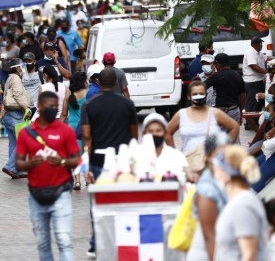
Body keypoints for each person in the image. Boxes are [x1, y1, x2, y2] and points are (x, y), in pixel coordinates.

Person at [15, 91, 80, 261]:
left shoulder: (65, 131)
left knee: (64, 240)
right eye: (49, 106)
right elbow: (18, 164)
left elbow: (77, 160)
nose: (53, 109)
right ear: (39, 106)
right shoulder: (26, 133)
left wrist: (63, 162)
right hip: (36, 195)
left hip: (61, 192)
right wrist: (30, 164)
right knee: (43, 243)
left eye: (55, 106)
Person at [80, 68, 138, 258]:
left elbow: (87, 138)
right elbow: (134, 136)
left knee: (97, 203)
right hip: (122, 162)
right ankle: (124, 241)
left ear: (98, 83)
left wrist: (85, 166)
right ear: (114, 83)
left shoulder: (88, 105)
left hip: (97, 161)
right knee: (123, 202)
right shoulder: (127, 104)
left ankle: (96, 244)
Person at [213, 145, 269, 260]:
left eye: (216, 168)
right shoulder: (236, 200)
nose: (213, 173)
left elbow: (249, 255)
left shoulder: (243, 206)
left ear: (227, 172)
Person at [186, 134, 231, 261]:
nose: (225, 158)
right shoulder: (207, 189)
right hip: (209, 253)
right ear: (209, 156)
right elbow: (209, 236)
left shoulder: (226, 179)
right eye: (220, 153)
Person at [166, 81, 239, 152]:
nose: (198, 96)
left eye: (201, 93)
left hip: (211, 161)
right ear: (189, 96)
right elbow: (167, 133)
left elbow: (234, 127)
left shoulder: (215, 113)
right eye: (195, 94)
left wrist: (223, 150)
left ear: (206, 95)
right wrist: (174, 155)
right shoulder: (181, 114)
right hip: (189, 160)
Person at [1, 58, 31, 179]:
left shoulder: (9, 78)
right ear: (18, 68)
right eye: (22, 67)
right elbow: (17, 94)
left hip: (9, 116)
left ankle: (15, 170)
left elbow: (5, 97)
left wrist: (2, 114)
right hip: (15, 116)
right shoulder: (16, 78)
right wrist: (26, 108)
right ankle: (10, 166)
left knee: (14, 143)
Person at [142, 113, 189, 183]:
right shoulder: (136, 155)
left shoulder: (176, 156)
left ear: (165, 133)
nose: (154, 134)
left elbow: (183, 180)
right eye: (151, 131)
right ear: (144, 133)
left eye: (158, 131)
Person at [204, 53, 245, 126]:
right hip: (234, 110)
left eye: (215, 64)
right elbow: (243, 95)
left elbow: (202, 86)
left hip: (220, 112)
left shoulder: (217, 76)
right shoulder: (237, 75)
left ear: (218, 64)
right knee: (233, 134)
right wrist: (240, 110)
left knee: (220, 135)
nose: (215, 67)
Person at [67, 72, 88, 190]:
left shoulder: (69, 96)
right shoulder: (87, 94)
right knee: (85, 153)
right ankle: (88, 179)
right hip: (84, 126)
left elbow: (64, 113)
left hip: (71, 126)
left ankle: (77, 182)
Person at [243, 37, 267, 114]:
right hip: (252, 81)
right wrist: (265, 72)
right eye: (260, 44)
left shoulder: (259, 53)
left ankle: (256, 121)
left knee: (258, 102)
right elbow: (253, 66)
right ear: (256, 45)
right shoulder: (250, 53)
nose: (261, 45)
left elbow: (266, 59)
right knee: (252, 102)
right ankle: (249, 123)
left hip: (259, 80)